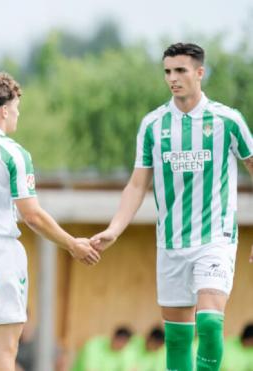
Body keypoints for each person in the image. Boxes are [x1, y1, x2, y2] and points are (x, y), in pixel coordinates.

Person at [91, 42, 253, 371]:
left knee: (209, 323)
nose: (173, 78)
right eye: (167, 71)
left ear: (199, 72)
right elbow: (138, 184)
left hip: (215, 238)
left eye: (180, 70)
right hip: (172, 242)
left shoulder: (227, 120)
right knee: (178, 338)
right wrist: (114, 229)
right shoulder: (153, 125)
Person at [0, 72, 101, 371]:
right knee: (5, 351)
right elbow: (32, 214)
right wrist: (72, 243)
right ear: (4, 110)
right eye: (17, 109)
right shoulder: (13, 152)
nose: (17, 116)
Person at [71, 326, 138, 371]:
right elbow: (90, 369)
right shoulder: (94, 345)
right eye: (121, 341)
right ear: (114, 337)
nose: (123, 345)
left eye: (126, 343)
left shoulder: (128, 351)